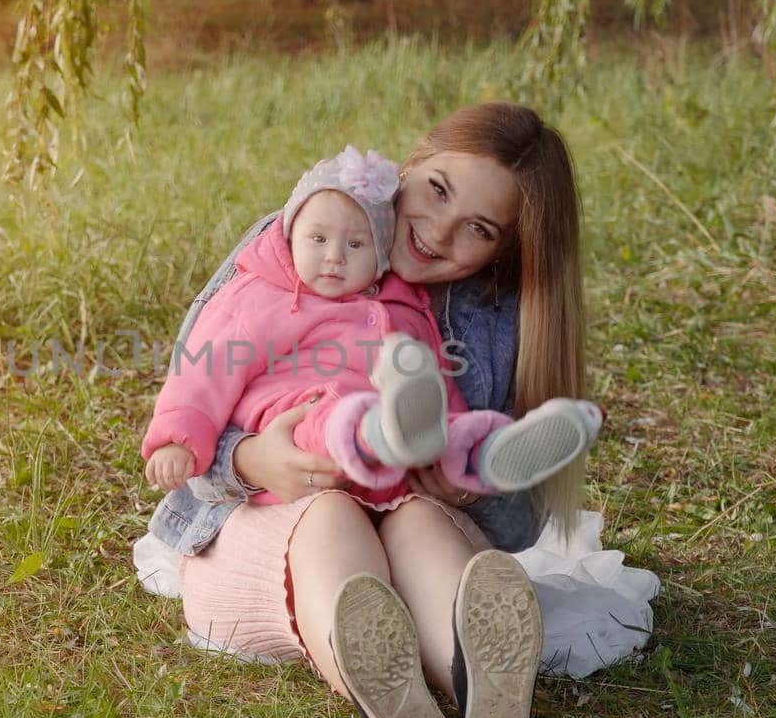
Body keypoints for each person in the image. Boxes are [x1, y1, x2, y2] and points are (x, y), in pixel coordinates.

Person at [144, 102, 591, 718]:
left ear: (506, 250)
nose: (438, 232)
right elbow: (195, 389)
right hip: (269, 521)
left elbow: (521, 525)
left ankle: (480, 683)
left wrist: (470, 489)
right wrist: (249, 460)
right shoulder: (303, 238)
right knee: (330, 517)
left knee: (419, 521)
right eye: (436, 190)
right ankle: (382, 676)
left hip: (403, 508)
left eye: (477, 228)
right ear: (408, 165)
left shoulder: (495, 317)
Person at [142, 145, 602, 510]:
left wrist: (462, 478)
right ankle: (381, 429)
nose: (335, 256)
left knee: (447, 424)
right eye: (438, 190)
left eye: (478, 228)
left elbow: (439, 387)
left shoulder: (414, 308)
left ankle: (487, 453)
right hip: (307, 431)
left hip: (400, 496)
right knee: (335, 417)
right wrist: (205, 448)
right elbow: (199, 374)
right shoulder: (270, 280)